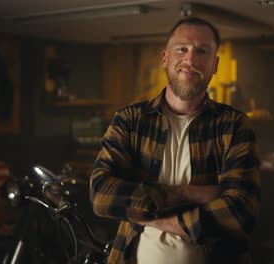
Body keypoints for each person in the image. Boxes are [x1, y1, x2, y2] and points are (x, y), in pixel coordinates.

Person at [90, 16, 261, 264]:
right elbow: (100, 195)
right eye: (182, 49)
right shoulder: (130, 120)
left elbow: (241, 211)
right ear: (165, 58)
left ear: (214, 64)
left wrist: (147, 214)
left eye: (202, 51)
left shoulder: (234, 125)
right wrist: (196, 194)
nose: (190, 60)